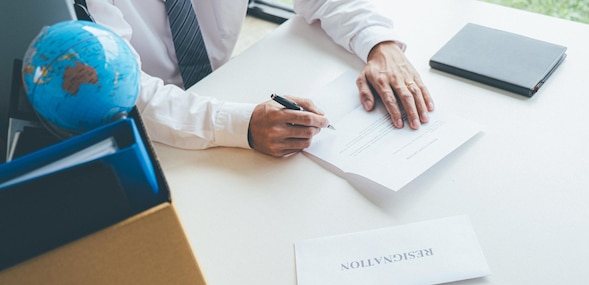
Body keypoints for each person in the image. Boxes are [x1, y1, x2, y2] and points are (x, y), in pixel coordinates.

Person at [86, 0, 434, 157]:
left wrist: (380, 43)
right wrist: (242, 125)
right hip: (147, 138)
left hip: (223, 87)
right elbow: (122, 92)